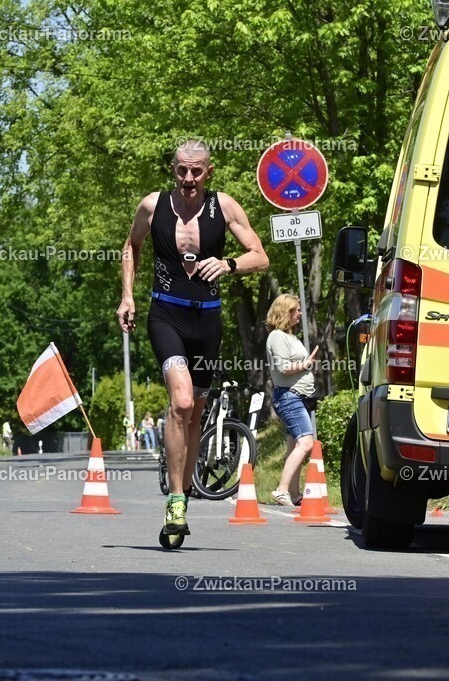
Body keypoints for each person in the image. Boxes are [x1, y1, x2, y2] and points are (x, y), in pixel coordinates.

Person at [117, 139, 268, 540]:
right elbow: (131, 247)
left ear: (209, 172)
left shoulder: (226, 207)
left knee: (196, 412)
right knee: (181, 401)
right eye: (182, 170)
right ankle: (176, 500)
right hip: (165, 314)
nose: (188, 178)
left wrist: (229, 263)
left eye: (196, 171)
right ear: (173, 169)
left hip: (208, 322)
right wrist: (127, 296)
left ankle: (181, 496)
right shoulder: (153, 205)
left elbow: (260, 255)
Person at [265, 293, 318, 507]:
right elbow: (283, 368)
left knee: (293, 446)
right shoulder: (277, 336)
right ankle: (281, 490)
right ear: (285, 313)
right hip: (289, 397)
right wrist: (306, 364)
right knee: (306, 443)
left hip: (298, 396)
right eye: (296, 310)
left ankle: (294, 494)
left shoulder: (290, 336)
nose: (300, 314)